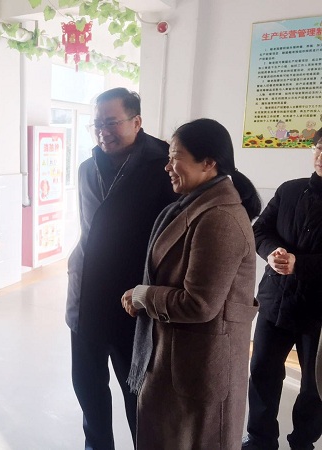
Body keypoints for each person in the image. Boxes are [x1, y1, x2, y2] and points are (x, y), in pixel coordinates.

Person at [121, 118, 261, 449]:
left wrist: (143, 296)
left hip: (199, 368)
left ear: (208, 163)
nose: (168, 166)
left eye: (175, 157)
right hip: (178, 358)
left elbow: (199, 304)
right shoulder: (195, 205)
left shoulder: (219, 219)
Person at [66, 87, 177, 449]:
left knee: (139, 394)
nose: (103, 132)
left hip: (133, 301)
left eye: (111, 123)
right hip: (86, 296)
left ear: (136, 121)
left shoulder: (163, 165)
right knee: (88, 388)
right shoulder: (87, 168)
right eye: (97, 124)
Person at [242, 128, 322, 450]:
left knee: (314, 385)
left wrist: (299, 264)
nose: (321, 156)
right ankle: (259, 440)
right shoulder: (290, 190)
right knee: (263, 372)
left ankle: (303, 443)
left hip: (317, 312)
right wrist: (272, 252)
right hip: (275, 301)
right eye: (319, 147)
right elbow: (259, 230)